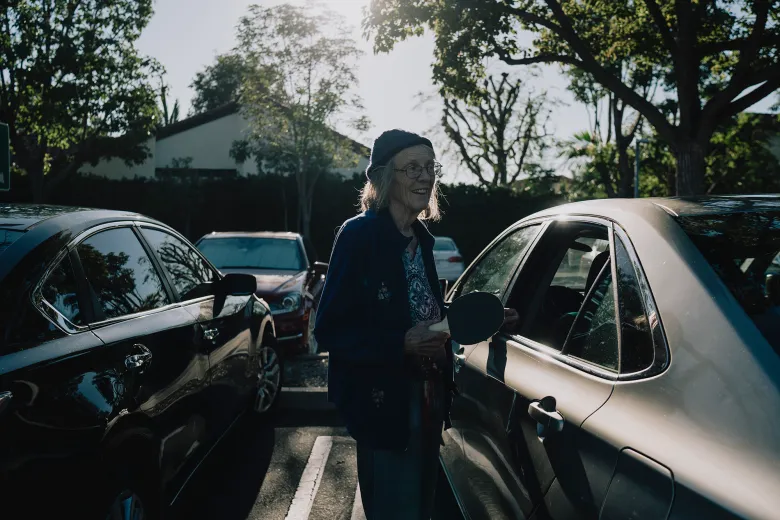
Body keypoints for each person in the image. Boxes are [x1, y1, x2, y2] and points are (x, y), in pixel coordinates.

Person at [314, 129, 453, 520]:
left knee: (419, 509)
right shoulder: (359, 236)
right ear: (383, 178)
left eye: (430, 167)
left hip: (428, 400)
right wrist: (401, 344)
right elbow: (330, 329)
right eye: (413, 168)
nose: (425, 177)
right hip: (386, 405)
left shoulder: (421, 238)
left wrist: (478, 318)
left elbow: (421, 310)